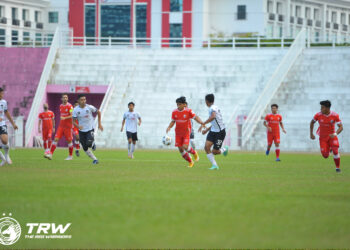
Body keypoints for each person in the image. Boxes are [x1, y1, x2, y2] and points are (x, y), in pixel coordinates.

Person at [166, 96, 204, 168]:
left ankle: (194, 152)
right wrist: (169, 127)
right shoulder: (174, 112)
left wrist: (202, 123)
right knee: (180, 149)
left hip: (186, 131)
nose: (178, 106)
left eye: (180, 104)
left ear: (184, 104)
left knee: (185, 146)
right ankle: (190, 162)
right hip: (178, 133)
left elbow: (196, 117)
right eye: (177, 104)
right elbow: (173, 121)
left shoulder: (188, 111)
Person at [310, 100, 343, 172]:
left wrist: (335, 134)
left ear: (328, 108)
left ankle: (337, 168)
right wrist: (311, 134)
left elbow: (341, 127)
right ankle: (329, 148)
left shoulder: (335, 115)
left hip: (332, 136)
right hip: (322, 138)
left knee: (335, 151)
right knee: (325, 155)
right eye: (321, 107)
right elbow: (312, 122)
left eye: (322, 108)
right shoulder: (318, 115)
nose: (321, 109)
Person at [73, 94, 103, 164]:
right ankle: (95, 159)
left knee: (89, 143)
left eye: (84, 99)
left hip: (90, 129)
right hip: (81, 131)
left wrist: (99, 123)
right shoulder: (75, 110)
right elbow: (73, 122)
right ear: (78, 101)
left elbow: (98, 112)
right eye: (82, 100)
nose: (84, 101)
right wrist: (78, 126)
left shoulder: (89, 107)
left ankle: (92, 143)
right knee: (85, 148)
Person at [201, 94, 228, 170]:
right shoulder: (211, 108)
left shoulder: (213, 108)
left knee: (215, 151)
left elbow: (213, 117)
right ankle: (215, 165)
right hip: (213, 131)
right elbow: (214, 122)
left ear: (206, 101)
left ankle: (225, 149)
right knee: (206, 147)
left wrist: (204, 123)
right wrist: (206, 130)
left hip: (220, 132)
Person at [45, 93, 74, 160]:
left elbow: (72, 115)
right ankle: (50, 154)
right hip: (61, 126)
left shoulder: (70, 106)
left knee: (69, 141)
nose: (65, 98)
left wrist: (65, 118)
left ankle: (70, 156)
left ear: (67, 98)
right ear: (62, 99)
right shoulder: (60, 106)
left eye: (66, 97)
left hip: (68, 127)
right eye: (64, 97)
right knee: (56, 139)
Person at [0, 88, 18, 166]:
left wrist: (13, 124)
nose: (2, 95)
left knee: (4, 140)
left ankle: (6, 155)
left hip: (1, 123)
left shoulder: (3, 102)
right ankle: (3, 159)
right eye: (1, 93)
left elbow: (6, 113)